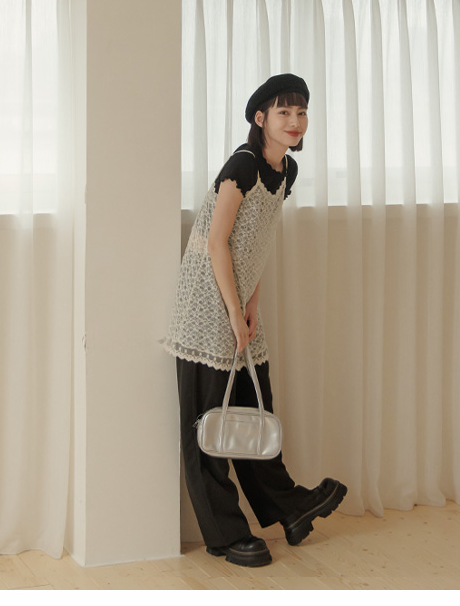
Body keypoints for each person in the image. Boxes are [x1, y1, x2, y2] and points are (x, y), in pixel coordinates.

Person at [163, 73, 347, 568]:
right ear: (260, 118)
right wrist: (231, 309)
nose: (295, 121)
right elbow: (216, 242)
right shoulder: (243, 165)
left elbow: (257, 242)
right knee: (207, 425)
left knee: (252, 410)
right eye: (284, 112)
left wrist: (252, 305)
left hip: (238, 301)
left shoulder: (285, 171)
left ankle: (289, 508)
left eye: (301, 112)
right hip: (205, 304)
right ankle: (225, 535)